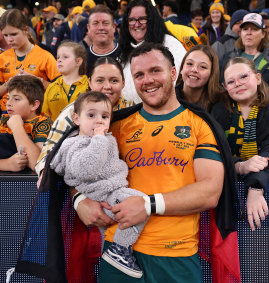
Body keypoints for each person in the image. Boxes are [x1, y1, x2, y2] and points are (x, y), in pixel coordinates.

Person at [16, 42, 240, 283]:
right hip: (116, 254)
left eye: (156, 71)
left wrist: (148, 204)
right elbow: (75, 166)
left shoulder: (200, 124)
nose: (148, 80)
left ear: (173, 74)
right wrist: (78, 199)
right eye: (139, 75)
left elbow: (209, 192)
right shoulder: (114, 124)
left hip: (176, 254)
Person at [50, 91, 147, 278]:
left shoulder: (103, 138)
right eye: (91, 115)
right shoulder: (75, 143)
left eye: (104, 116)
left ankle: (112, 255)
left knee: (107, 235)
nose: (99, 121)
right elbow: (86, 170)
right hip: (103, 195)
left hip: (111, 191)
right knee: (141, 203)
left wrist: (101, 139)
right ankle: (120, 249)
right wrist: (99, 139)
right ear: (76, 118)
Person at [211, 56, 269, 231]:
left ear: (257, 78)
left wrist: (256, 188)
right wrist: (239, 166)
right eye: (230, 81)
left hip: (267, 187)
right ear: (225, 87)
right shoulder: (217, 113)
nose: (237, 83)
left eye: (244, 77)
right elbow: (213, 153)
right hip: (225, 193)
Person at [118, 0, 186, 103]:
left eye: (142, 19)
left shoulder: (170, 43)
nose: (137, 24)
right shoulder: (123, 51)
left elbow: (179, 80)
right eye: (131, 20)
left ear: (152, 20)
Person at [0, 8, 60, 115]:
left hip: (36, 117)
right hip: (6, 117)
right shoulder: (2, 57)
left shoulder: (45, 56)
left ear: (26, 30)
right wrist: (7, 84)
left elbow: (60, 90)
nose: (9, 39)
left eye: (14, 34)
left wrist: (37, 81)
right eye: (6, 35)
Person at [220, 13, 269, 96]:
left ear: (263, 34)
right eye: (245, 29)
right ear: (241, 33)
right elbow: (222, 87)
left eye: (254, 29)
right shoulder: (228, 58)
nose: (249, 33)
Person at [0, 75, 52, 172]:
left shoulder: (43, 122)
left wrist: (17, 127)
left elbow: (37, 164)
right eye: (8, 98)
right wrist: (7, 164)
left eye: (16, 99)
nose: (8, 103)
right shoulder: (3, 119)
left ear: (34, 105)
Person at [42, 41, 88, 121]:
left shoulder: (89, 85)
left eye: (65, 57)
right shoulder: (51, 87)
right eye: (58, 57)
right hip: (56, 132)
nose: (59, 60)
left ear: (78, 61)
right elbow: (44, 116)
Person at [176, 45, 225, 112]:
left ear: (212, 74)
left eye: (202, 67)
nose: (194, 70)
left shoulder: (221, 103)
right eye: (190, 63)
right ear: (182, 68)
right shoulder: (167, 98)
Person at [85, 5, 120, 76]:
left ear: (113, 27)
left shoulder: (127, 55)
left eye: (105, 23)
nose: (101, 28)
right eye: (95, 23)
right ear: (88, 28)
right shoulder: (82, 60)